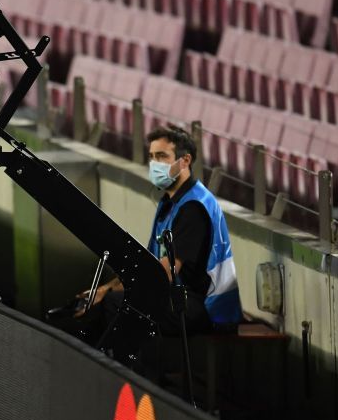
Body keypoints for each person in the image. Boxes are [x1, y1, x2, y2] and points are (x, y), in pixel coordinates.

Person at [73, 125, 242, 346]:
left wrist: (108, 292)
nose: (155, 163)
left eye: (162, 156)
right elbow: (147, 264)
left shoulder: (194, 207)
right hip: (178, 296)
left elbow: (163, 274)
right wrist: (104, 288)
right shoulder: (170, 204)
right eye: (152, 156)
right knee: (98, 302)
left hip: (202, 306)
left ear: (185, 160)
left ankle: (128, 374)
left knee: (116, 303)